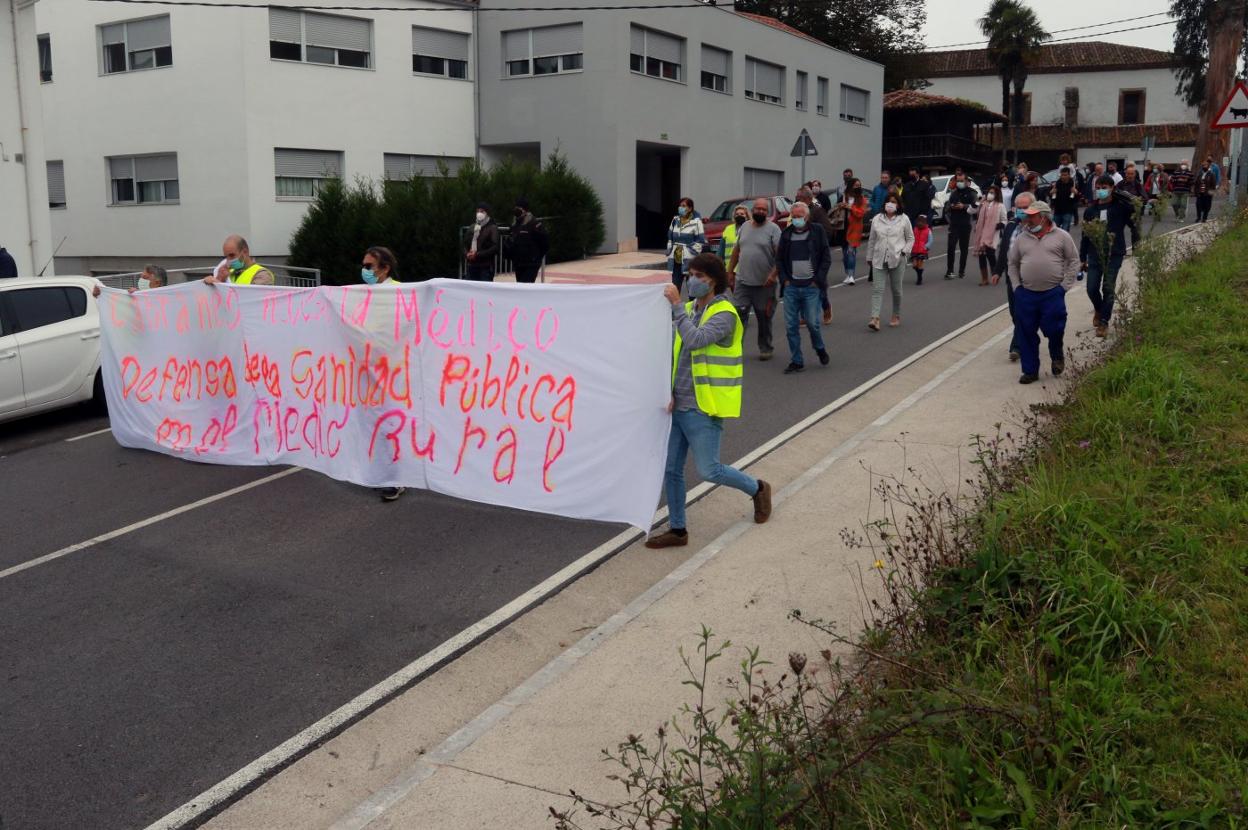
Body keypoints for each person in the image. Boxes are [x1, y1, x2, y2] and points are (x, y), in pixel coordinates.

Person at [645, 253, 772, 549]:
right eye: (690, 275)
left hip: (705, 405)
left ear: (712, 280)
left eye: (698, 276)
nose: (691, 281)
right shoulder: (689, 309)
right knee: (672, 469)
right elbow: (677, 353)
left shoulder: (725, 314)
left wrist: (676, 306)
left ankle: (758, 489)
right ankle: (678, 530)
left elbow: (696, 340)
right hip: (679, 403)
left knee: (709, 470)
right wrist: (669, 390)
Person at [1007, 201, 1079, 384]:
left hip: (1052, 293)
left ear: (1044, 217)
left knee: (1055, 328)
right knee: (1026, 332)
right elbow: (1012, 264)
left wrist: (1064, 287)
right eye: (1027, 215)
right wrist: (1017, 287)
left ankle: (1057, 355)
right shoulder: (1022, 238)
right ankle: (1030, 371)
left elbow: (1073, 261)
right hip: (1027, 294)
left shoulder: (1062, 236)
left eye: (1032, 216)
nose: (1028, 219)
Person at [776, 202, 831, 374]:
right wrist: (785, 280)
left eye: (800, 216)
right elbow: (779, 260)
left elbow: (826, 258)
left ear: (807, 216)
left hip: (811, 287)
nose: (797, 219)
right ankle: (797, 360)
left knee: (813, 323)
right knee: (791, 326)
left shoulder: (817, 231)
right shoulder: (786, 234)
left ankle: (819, 347)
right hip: (791, 287)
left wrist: (817, 280)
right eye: (794, 216)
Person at [728, 198, 781, 361]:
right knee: (739, 316)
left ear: (767, 212)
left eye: (764, 209)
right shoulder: (744, 226)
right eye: (758, 208)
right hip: (743, 282)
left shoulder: (774, 229)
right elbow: (737, 250)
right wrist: (730, 272)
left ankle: (765, 348)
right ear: (753, 209)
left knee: (763, 318)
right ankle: (735, 349)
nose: (760, 211)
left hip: (765, 284)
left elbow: (781, 256)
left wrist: (773, 276)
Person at [1080, 176, 1132, 339]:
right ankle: (1099, 308)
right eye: (1098, 186)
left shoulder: (1120, 208)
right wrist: (1083, 257)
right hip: (1094, 255)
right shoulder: (1090, 210)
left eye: (1104, 186)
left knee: (1108, 288)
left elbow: (1135, 214)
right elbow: (1085, 235)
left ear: (1111, 188)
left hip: (1114, 253)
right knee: (1091, 288)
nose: (1100, 189)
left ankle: (1103, 321)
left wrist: (1124, 196)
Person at [992, 191, 1034, 364]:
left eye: (1026, 207)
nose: (1022, 211)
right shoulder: (1010, 226)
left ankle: (1016, 346)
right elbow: (1004, 250)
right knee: (1014, 312)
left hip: (1031, 276)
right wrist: (997, 271)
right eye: (1019, 207)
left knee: (1022, 312)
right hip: (1012, 275)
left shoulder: (1037, 228)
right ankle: (1024, 338)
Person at [865, 194, 914, 331]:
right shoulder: (877, 219)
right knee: (877, 289)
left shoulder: (904, 219)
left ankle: (896, 314)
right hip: (879, 258)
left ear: (898, 204)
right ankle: (875, 318)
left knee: (896, 290)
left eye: (893, 202)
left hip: (897, 259)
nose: (890, 205)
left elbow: (910, 238)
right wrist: (869, 257)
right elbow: (872, 240)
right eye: (888, 202)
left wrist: (905, 251)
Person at [796, 186, 836, 323]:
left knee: (819, 284)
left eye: (799, 198)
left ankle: (826, 307)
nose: (797, 200)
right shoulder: (796, 212)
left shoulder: (817, 211)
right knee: (801, 285)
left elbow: (828, 231)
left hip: (816, 256)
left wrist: (814, 241)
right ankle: (804, 316)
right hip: (800, 255)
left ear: (807, 198)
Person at [666, 197, 705, 292]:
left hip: (690, 261)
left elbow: (700, 241)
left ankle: (693, 306)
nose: (681, 208)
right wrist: (670, 250)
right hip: (676, 261)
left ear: (690, 208)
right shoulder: (675, 220)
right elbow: (670, 236)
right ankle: (675, 305)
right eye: (680, 205)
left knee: (692, 289)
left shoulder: (696, 222)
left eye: (684, 206)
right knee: (674, 287)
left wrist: (691, 252)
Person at [944, 171, 978, 279]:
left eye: (961, 181)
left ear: (967, 181)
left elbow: (976, 207)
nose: (959, 183)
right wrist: (951, 207)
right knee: (951, 247)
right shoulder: (953, 193)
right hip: (954, 224)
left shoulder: (972, 193)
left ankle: (961, 270)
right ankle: (950, 270)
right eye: (958, 181)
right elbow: (947, 208)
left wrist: (963, 206)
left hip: (965, 224)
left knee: (964, 249)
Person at [507, 198, 549, 284]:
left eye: (519, 208)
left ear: (525, 210)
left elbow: (545, 243)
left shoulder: (534, 223)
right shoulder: (514, 224)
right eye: (516, 207)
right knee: (520, 287)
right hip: (519, 263)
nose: (516, 210)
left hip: (531, 264)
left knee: (525, 287)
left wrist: (536, 258)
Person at [972, 184, 1007, 286]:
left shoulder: (1000, 206)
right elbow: (972, 212)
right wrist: (978, 203)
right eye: (989, 192)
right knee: (981, 256)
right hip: (982, 234)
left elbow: (1004, 220)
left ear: (996, 195)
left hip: (992, 235)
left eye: (992, 193)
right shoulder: (983, 204)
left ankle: (995, 275)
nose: (989, 195)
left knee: (991, 255)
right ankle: (984, 279)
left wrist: (996, 226)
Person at [204, 235, 274, 286]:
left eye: (232, 255)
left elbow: (252, 300)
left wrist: (219, 285)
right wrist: (219, 279)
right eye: (226, 256)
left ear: (245, 252)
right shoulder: (229, 272)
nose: (228, 261)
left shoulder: (263, 275)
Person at [837, 180, 868, 285]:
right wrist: (841, 206)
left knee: (851, 252)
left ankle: (851, 275)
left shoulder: (862, 199)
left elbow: (861, 213)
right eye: (855, 185)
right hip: (842, 228)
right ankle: (847, 273)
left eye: (859, 185)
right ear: (850, 186)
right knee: (845, 254)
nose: (857, 187)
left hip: (854, 228)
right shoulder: (843, 197)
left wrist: (851, 207)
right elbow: (836, 209)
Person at [465, 203, 500, 282]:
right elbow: (465, 244)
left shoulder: (492, 228)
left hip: (485, 266)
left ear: (487, 213)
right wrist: (467, 254)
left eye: (482, 211)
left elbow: (495, 247)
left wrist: (477, 254)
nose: (479, 213)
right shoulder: (472, 227)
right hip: (472, 265)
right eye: (477, 211)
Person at [1050, 168, 1079, 232]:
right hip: (1057, 211)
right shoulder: (1057, 184)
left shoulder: (1073, 184)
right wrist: (1051, 193)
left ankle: (1064, 241)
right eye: (1062, 175)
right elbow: (1052, 197)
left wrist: (1076, 193)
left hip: (1068, 211)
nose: (1063, 177)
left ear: (1069, 175)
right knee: (1055, 230)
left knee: (1065, 230)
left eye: (1065, 175)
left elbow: (1076, 200)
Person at [911, 214, 931, 286]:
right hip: (914, 250)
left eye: (922, 222)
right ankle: (919, 274)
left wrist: (926, 246)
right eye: (918, 221)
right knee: (914, 265)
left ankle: (919, 278)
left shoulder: (928, 230)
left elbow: (930, 240)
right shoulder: (915, 229)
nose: (920, 223)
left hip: (922, 250)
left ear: (925, 223)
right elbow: (911, 238)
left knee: (919, 264)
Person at [1194, 159, 1217, 223]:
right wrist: (1196, 192)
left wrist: (1211, 193)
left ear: (1208, 166)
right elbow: (1196, 183)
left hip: (1207, 193)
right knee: (1198, 205)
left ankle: (1204, 218)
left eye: (1206, 165)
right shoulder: (1200, 174)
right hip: (1200, 192)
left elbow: (1213, 185)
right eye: (1203, 165)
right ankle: (1198, 217)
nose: (1204, 166)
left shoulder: (1211, 174)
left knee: (1207, 206)